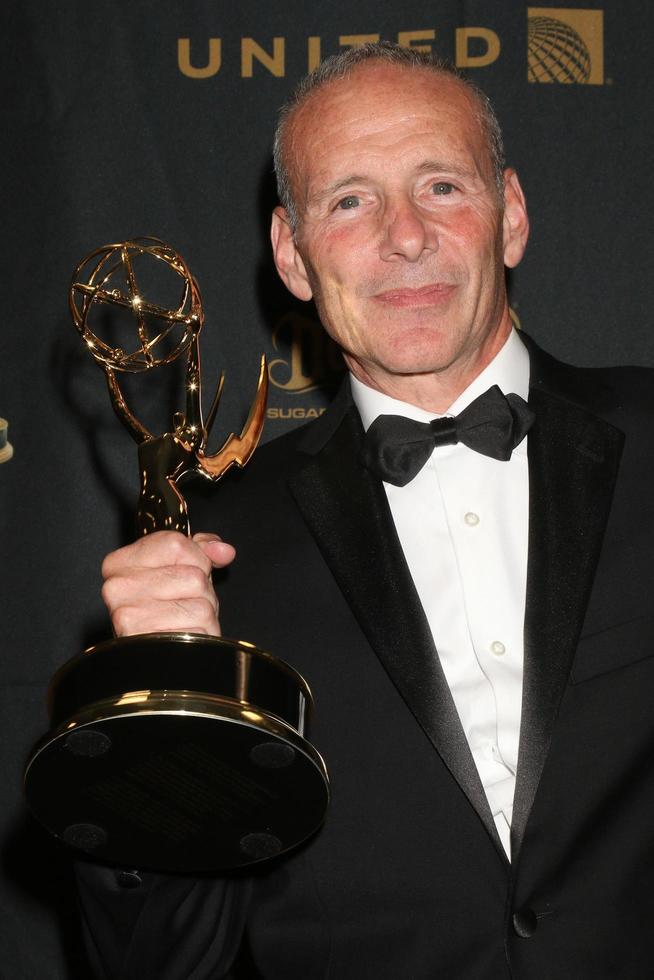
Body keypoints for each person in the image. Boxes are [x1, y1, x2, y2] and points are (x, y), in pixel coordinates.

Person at [76, 42, 654, 979]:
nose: (406, 237)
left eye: (441, 187)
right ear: (291, 255)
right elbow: (163, 962)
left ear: (509, 217)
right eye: (350, 201)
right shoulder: (212, 543)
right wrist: (153, 733)